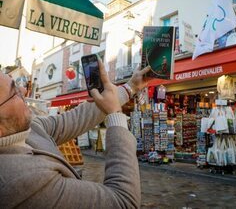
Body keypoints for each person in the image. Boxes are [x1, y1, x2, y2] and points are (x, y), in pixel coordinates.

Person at [0, 60, 151, 208]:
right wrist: (115, 115)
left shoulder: (28, 128)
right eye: (14, 92)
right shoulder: (20, 181)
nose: (24, 90)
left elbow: (75, 119)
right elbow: (123, 202)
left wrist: (131, 87)